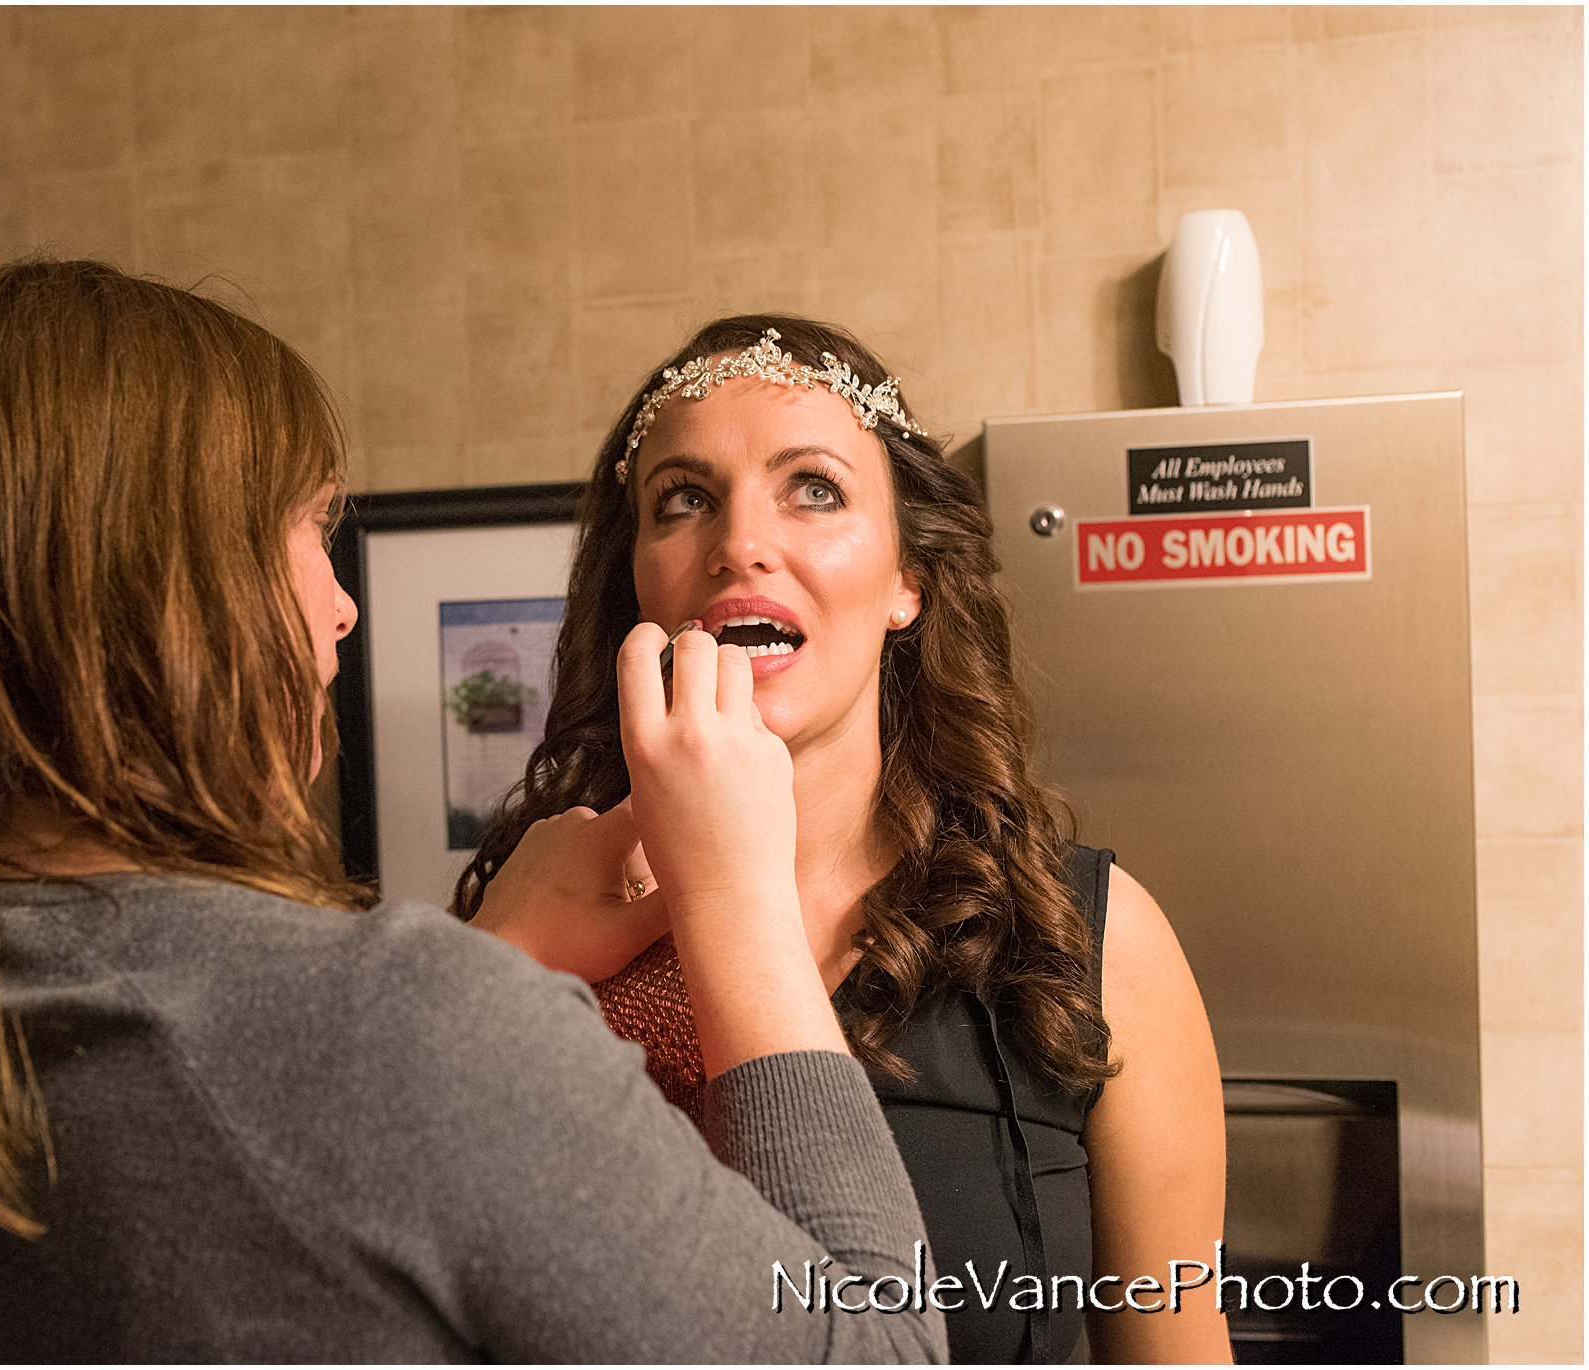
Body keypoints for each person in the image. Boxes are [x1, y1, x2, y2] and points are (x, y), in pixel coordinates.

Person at [0, 262, 947, 1362]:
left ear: (911, 579)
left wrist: (492, 963)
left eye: (812, 492)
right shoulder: (401, 1028)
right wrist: (729, 895)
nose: (341, 608)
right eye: (310, 534)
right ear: (167, 588)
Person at [458, 318, 1231, 1364]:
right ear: (635, 580)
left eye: (811, 487)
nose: (739, 542)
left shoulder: (1092, 946)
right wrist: (488, 971)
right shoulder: (530, 923)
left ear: (907, 577)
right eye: (682, 499)